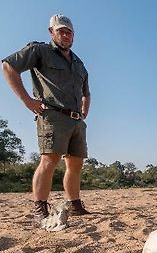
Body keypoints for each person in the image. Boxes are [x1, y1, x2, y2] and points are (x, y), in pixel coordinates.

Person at [2, 14, 91, 224]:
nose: (66, 35)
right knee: (49, 160)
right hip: (52, 115)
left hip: (76, 120)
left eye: (69, 32)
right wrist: (27, 100)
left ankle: (74, 203)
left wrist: (84, 113)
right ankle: (40, 206)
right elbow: (8, 66)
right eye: (61, 31)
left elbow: (87, 92)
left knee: (76, 164)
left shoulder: (79, 63)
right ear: (51, 32)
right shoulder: (40, 51)